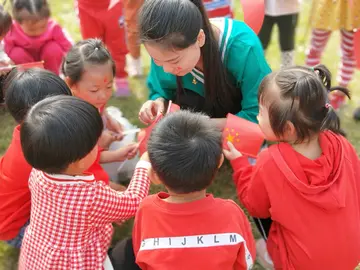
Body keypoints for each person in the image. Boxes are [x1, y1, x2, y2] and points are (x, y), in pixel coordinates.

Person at [223, 65, 360, 270]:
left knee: (259, 198)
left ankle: (269, 255)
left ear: (288, 128)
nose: (258, 118)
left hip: (300, 264)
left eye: (261, 112)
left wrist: (240, 163)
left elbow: (255, 206)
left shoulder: (270, 161)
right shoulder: (342, 144)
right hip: (350, 255)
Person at [18, 95, 151, 270]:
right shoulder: (90, 196)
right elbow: (133, 202)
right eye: (95, 145)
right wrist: (144, 164)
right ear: (78, 161)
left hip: (40, 257)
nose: (99, 146)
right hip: (75, 264)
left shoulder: (39, 173)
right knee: (134, 249)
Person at [119, 110, 255, 270]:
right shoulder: (232, 212)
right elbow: (245, 262)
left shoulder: (146, 209)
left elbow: (141, 258)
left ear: (154, 176)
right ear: (219, 162)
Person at [137, 0, 271, 127]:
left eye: (174, 61)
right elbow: (161, 91)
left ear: (200, 38)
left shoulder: (243, 48)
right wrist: (158, 103)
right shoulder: (162, 47)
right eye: (156, 60)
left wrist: (201, 125)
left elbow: (258, 116)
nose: (165, 69)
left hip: (236, 140)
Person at [0, 68, 72, 248]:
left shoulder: (27, 135)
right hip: (15, 228)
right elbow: (70, 192)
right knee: (71, 234)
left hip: (14, 214)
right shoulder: (37, 155)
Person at [62, 39, 139, 186]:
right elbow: (78, 161)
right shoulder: (70, 116)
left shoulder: (93, 99)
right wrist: (105, 147)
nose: (103, 96)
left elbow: (101, 108)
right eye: (94, 90)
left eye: (109, 87)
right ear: (71, 84)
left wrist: (107, 118)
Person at [305, 0, 360, 111]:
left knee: (349, 52)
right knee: (315, 49)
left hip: (352, 8)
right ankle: (311, 88)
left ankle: (340, 93)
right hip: (326, 5)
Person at [4, 0, 72, 75]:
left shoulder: (53, 27)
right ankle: (27, 79)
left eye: (43, 27)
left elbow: (68, 47)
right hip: (26, 68)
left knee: (53, 48)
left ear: (47, 18)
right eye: (32, 29)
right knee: (16, 53)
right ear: (18, 22)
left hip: (49, 65)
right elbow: (6, 52)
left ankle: (53, 77)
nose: (38, 32)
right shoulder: (11, 30)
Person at [77, 0, 129, 96]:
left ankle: (120, 78)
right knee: (91, 47)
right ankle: (96, 81)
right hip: (86, 7)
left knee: (117, 45)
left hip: (112, 5)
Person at [258, 0, 300, 68]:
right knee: (260, 44)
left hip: (288, 10)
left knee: (287, 45)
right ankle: (256, 71)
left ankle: (287, 74)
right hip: (262, 9)